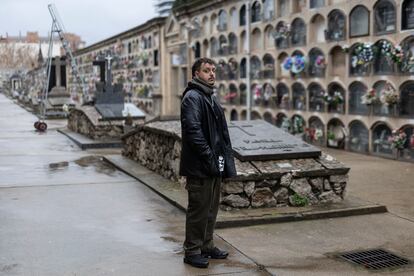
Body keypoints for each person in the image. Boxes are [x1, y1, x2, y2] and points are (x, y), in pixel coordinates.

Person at [179, 58, 237, 268]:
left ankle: (206, 244)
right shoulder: (193, 97)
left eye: (213, 70)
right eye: (206, 70)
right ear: (196, 74)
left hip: (213, 163)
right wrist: (208, 156)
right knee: (199, 208)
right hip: (200, 164)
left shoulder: (209, 97)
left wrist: (218, 159)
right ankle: (192, 250)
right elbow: (193, 131)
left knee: (211, 207)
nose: (212, 74)